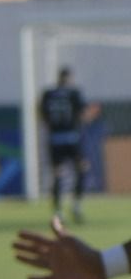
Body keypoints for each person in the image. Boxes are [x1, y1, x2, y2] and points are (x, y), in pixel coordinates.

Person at [39, 67, 102, 225]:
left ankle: (58, 212)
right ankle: (76, 205)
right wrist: (92, 113)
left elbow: (42, 115)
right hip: (72, 139)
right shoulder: (74, 93)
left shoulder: (48, 94)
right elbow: (84, 114)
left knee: (58, 174)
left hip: (55, 140)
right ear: (70, 78)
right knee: (82, 168)